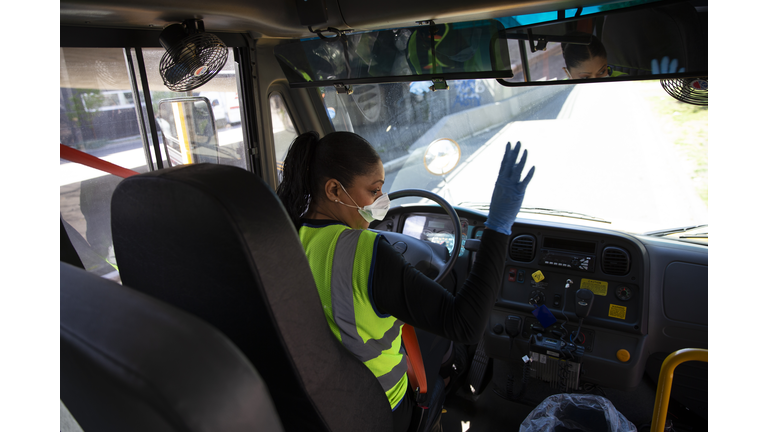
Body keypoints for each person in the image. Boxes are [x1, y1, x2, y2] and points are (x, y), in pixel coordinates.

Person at [276, 131, 534, 431]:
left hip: (313, 400)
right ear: (334, 189)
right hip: (379, 408)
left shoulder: (285, 237)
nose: (381, 201)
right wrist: (498, 227)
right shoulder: (366, 250)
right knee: (442, 370)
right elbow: (466, 323)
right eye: (374, 190)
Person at [561, 31, 627, 79]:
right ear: (567, 72)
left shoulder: (626, 83)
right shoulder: (561, 94)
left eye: (602, 72)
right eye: (585, 77)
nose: (596, 82)